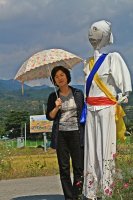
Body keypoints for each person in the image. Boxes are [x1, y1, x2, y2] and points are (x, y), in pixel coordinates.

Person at [83, 20, 132, 200]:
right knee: (91, 150)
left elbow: (125, 88)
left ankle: (107, 192)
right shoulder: (87, 63)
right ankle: (90, 192)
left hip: (106, 109)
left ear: (104, 36)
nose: (92, 34)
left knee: (106, 150)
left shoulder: (113, 58)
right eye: (91, 30)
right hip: (90, 109)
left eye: (96, 31)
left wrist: (121, 98)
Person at [46, 66, 85, 200]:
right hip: (61, 134)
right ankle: (69, 197)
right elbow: (50, 116)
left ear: (67, 76)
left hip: (76, 133)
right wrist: (56, 107)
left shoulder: (78, 93)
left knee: (79, 167)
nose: (60, 78)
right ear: (54, 81)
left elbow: (84, 113)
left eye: (62, 75)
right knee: (64, 169)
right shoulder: (53, 96)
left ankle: (77, 195)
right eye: (56, 77)